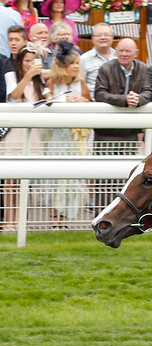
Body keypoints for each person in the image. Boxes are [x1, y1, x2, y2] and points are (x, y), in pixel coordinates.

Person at [3, 44, 50, 228]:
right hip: (15, 133)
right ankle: (9, 222)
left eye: (33, 61)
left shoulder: (40, 81)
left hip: (33, 134)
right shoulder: (13, 76)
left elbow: (49, 96)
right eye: (27, 61)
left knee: (24, 181)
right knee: (10, 181)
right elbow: (14, 95)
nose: (30, 64)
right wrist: (29, 75)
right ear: (21, 62)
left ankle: (21, 222)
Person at [44, 40, 90, 228]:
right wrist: (60, 100)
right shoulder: (53, 82)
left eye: (78, 63)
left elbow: (89, 100)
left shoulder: (81, 82)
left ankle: (65, 219)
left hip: (75, 137)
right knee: (55, 177)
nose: (76, 67)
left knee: (72, 178)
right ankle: (54, 218)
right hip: (57, 136)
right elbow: (46, 102)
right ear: (63, 66)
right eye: (73, 63)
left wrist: (82, 100)